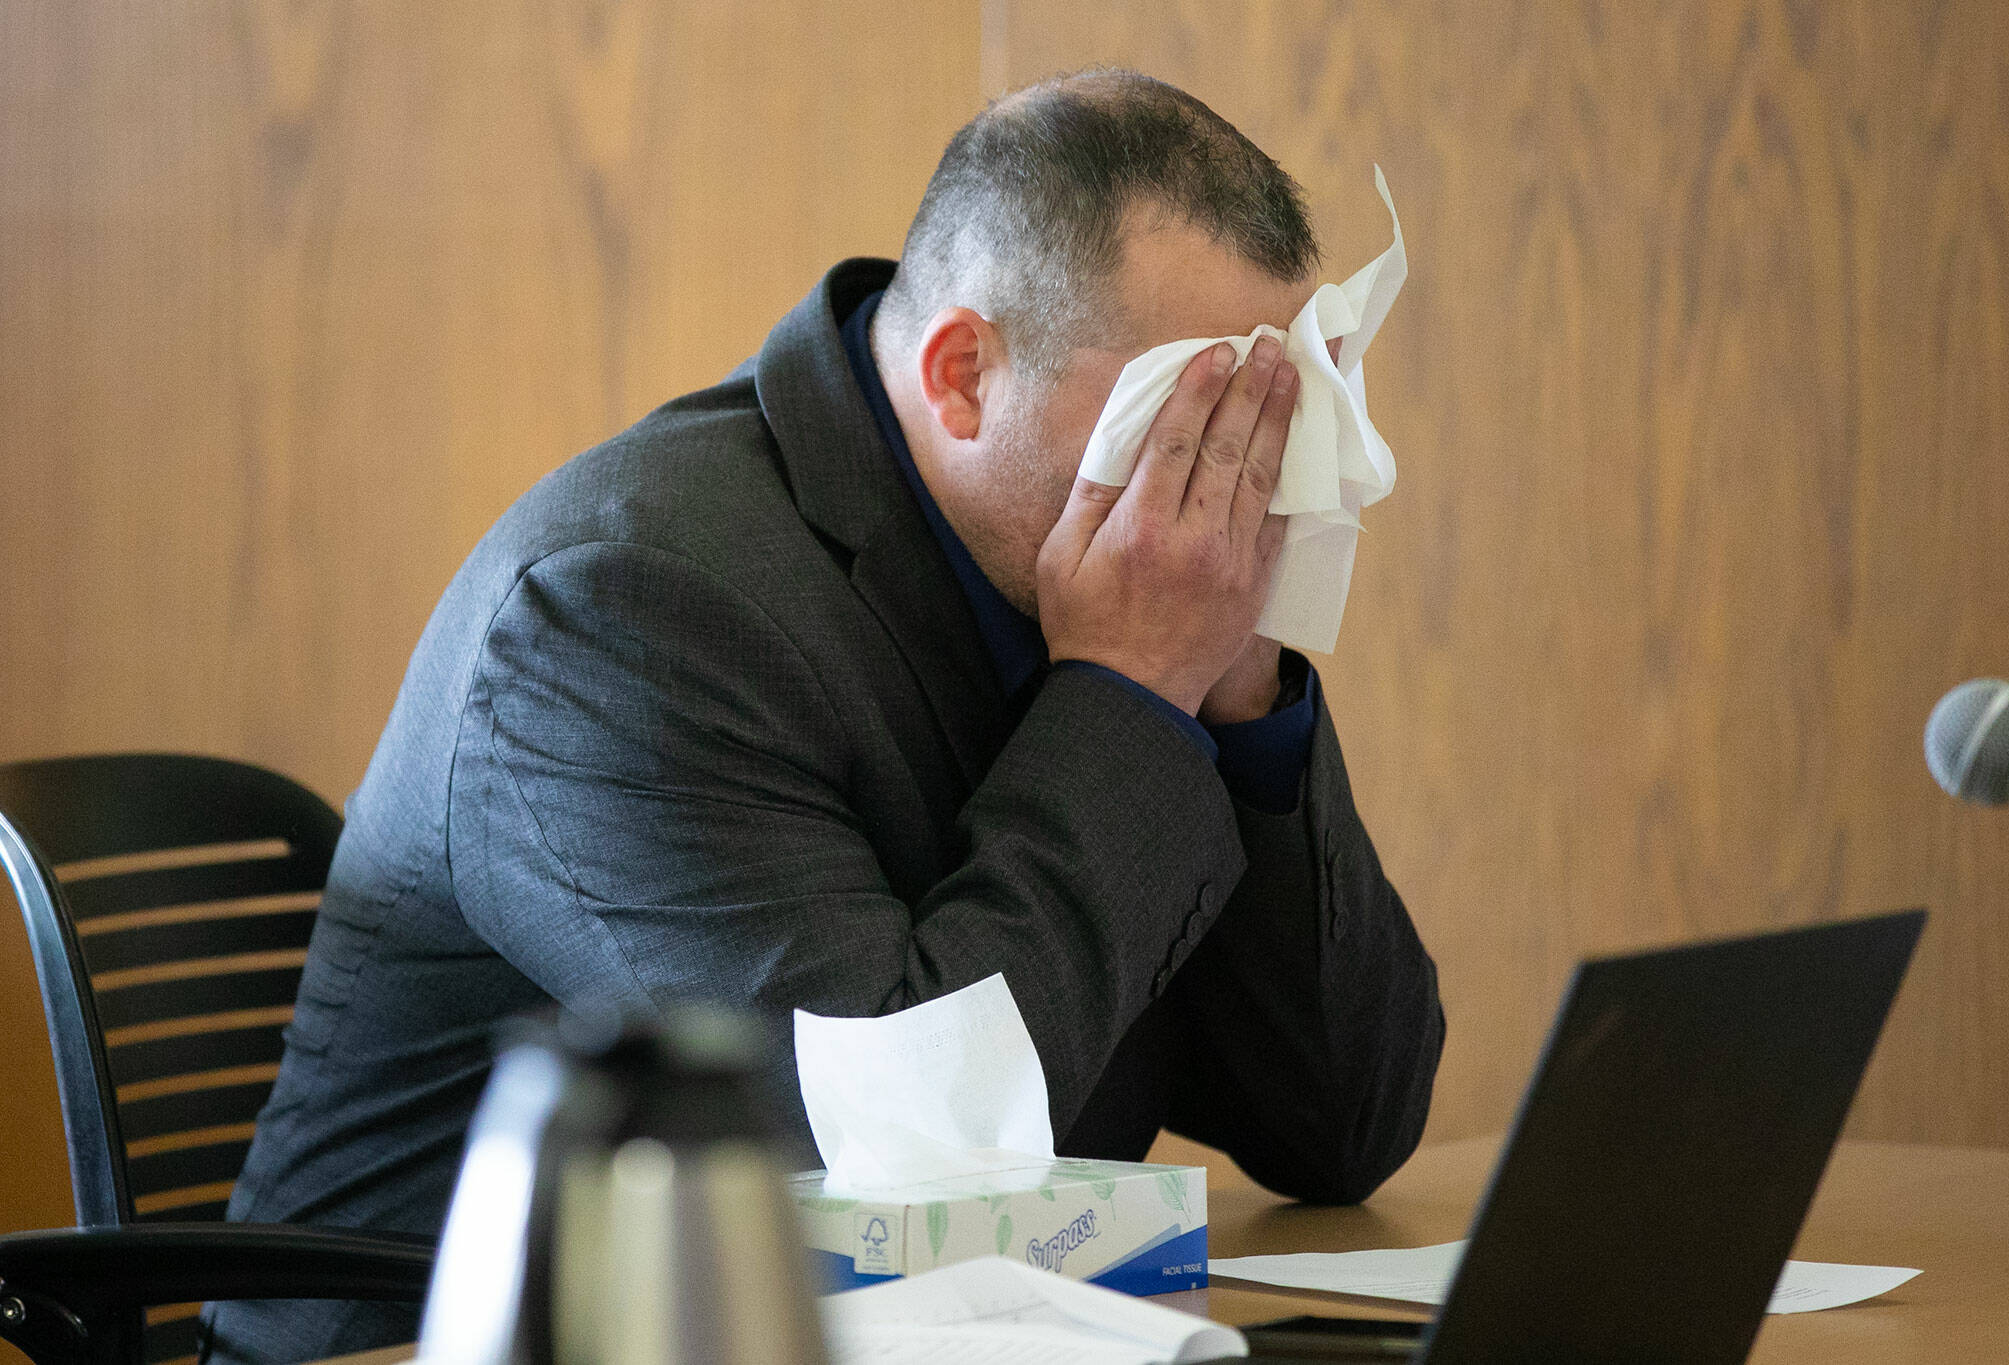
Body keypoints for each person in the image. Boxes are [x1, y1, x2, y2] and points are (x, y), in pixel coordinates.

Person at [202, 68, 1444, 1362]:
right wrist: (1133, 692)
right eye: (1189, 419)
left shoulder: (1096, 589)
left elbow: (1344, 1125)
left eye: (1269, 418)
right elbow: (889, 1165)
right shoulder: (619, 614)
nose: (1236, 481)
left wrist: (1234, 680)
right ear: (963, 375)